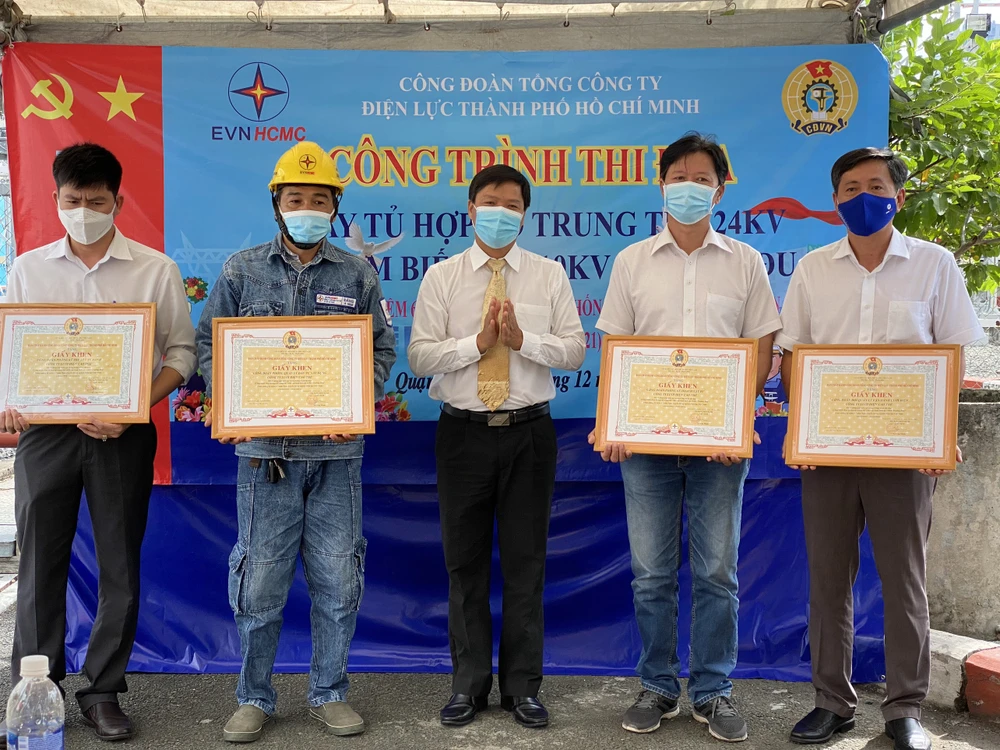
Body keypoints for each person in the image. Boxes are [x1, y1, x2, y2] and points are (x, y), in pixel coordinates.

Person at [778, 147, 983, 750]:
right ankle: (831, 703)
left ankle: (904, 709)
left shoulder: (935, 264)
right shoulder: (813, 269)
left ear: (898, 196)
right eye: (850, 188)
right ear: (835, 200)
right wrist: (800, 428)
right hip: (827, 455)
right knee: (827, 581)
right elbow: (793, 358)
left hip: (907, 457)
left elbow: (951, 357)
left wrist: (942, 435)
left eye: (875, 185)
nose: (862, 196)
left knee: (904, 581)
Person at [196, 142, 396, 743]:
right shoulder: (241, 270)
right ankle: (254, 695)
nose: (306, 208)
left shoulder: (358, 273)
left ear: (334, 206)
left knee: (338, 579)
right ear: (277, 205)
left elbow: (381, 348)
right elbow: (209, 345)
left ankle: (330, 691)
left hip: (336, 455)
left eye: (318, 199)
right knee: (259, 582)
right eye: (294, 199)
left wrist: (356, 400)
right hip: (266, 457)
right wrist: (230, 397)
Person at [589, 133, 781, 744]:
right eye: (680, 178)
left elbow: (762, 349)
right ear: (661, 185)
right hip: (644, 447)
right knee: (651, 573)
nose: (690, 188)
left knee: (718, 573)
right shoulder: (632, 261)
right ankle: (657, 684)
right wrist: (610, 422)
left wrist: (738, 421)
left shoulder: (746, 262)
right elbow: (615, 349)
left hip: (720, 448)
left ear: (720, 191)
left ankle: (713, 689)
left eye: (703, 180)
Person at [2, 143, 197, 741]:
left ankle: (103, 690)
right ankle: (35, 691)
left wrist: (134, 409)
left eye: (96, 201)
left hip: (122, 435)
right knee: (39, 563)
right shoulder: (28, 269)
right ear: (55, 199)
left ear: (119, 201)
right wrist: (9, 398)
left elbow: (182, 356)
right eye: (73, 200)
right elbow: (15, 353)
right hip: (46, 437)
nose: (83, 211)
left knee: (120, 565)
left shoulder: (154, 269)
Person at [408, 164, 585, 730]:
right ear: (470, 208)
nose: (500, 213)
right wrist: (477, 343)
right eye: (490, 202)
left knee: (526, 564)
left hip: (529, 433)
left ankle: (522, 689)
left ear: (525, 214)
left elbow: (575, 351)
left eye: (512, 205)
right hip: (462, 434)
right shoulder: (442, 277)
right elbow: (420, 356)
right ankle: (468, 687)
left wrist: (522, 341)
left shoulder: (548, 275)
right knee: (464, 565)